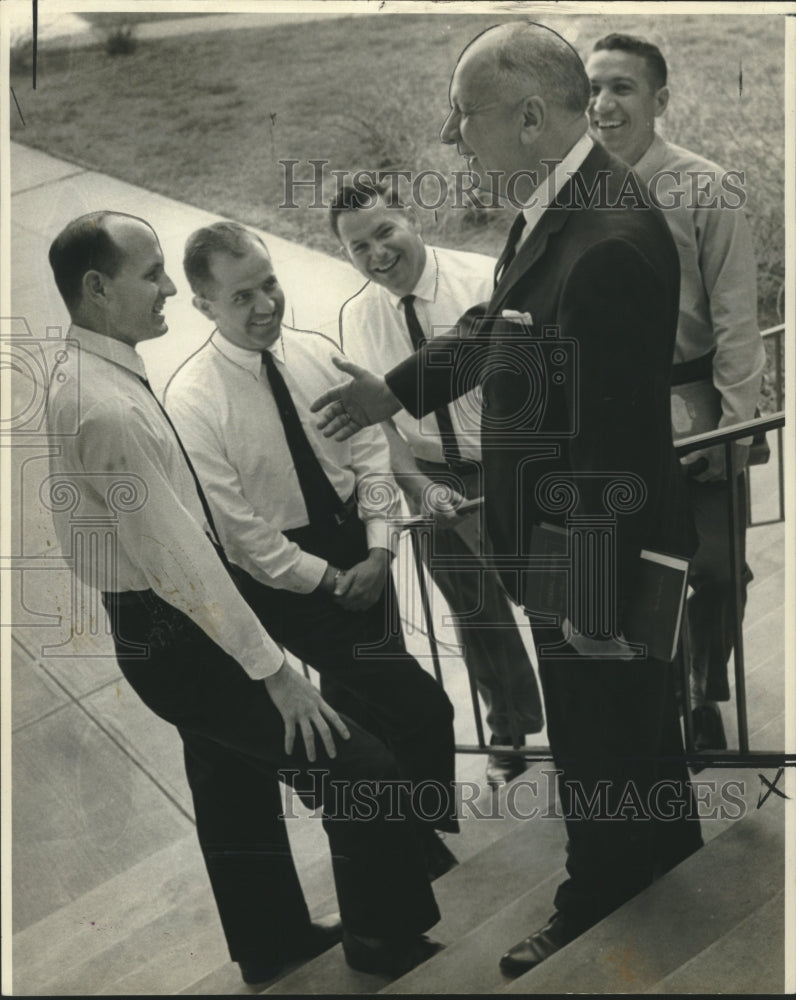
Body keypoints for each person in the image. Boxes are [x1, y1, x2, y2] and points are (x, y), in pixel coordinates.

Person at [311, 21, 704, 976]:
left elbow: (608, 445)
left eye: (465, 117)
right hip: (579, 545)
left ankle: (600, 895)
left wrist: (592, 594)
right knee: (638, 727)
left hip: (590, 555)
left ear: (532, 117)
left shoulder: (606, 239)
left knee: (594, 736)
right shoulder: (555, 205)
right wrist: (392, 390)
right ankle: (676, 854)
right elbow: (498, 328)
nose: (453, 139)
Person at [45, 211, 444, 985]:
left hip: (156, 624)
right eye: (151, 273)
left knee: (229, 780)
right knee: (360, 770)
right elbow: (185, 561)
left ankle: (270, 940)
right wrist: (275, 672)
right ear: (97, 289)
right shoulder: (108, 407)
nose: (166, 288)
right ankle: (380, 941)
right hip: (176, 625)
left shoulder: (97, 373)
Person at [164, 220, 458, 882]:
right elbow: (242, 532)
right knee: (420, 707)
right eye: (242, 297)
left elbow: (370, 457)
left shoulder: (317, 353)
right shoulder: (192, 399)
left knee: (365, 704)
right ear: (204, 306)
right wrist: (330, 581)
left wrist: (380, 551)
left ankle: (400, 836)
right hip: (287, 579)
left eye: (269, 284)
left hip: (362, 546)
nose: (267, 305)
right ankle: (398, 831)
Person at [585, 33, 766, 752]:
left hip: (697, 406)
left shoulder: (705, 187)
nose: (603, 104)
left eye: (623, 88)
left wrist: (731, 428)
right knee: (637, 573)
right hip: (611, 415)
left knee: (717, 573)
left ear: (659, 100)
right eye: (593, 86)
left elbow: (736, 318)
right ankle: (665, 704)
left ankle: (702, 686)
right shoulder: (567, 189)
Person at [331, 180, 544, 786]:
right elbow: (378, 428)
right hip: (428, 476)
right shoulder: (356, 316)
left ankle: (585, 721)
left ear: (414, 220)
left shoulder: (481, 282)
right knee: (474, 608)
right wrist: (418, 485)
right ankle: (509, 722)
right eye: (357, 246)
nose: (376, 254)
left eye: (385, 232)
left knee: (548, 595)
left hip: (506, 466)